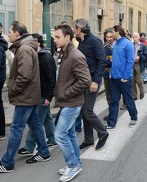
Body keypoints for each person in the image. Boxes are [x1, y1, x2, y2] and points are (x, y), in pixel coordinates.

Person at [0, 21, 51, 173]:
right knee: (35, 125)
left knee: (16, 129)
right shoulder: (26, 47)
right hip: (29, 95)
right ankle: (44, 152)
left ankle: (7, 163)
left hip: (25, 96)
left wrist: (13, 88)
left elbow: (25, 75)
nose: (7, 34)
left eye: (10, 31)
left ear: (17, 33)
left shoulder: (23, 49)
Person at [53, 25, 91, 182]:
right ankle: (76, 163)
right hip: (67, 101)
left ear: (67, 37)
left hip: (72, 102)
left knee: (60, 135)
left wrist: (65, 93)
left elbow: (85, 81)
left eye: (57, 37)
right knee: (68, 133)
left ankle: (73, 165)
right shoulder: (65, 53)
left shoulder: (75, 56)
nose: (54, 40)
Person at [18, 33, 57, 156]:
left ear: (38, 43)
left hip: (43, 94)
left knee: (37, 121)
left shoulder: (45, 57)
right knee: (46, 118)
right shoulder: (36, 55)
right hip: (39, 93)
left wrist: (49, 96)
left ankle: (29, 146)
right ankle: (53, 139)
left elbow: (52, 78)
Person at [72, 19, 109, 151]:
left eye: (74, 28)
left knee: (87, 110)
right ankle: (88, 140)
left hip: (93, 80)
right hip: (84, 80)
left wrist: (95, 81)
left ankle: (103, 133)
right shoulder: (81, 42)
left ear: (79, 30)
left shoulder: (94, 41)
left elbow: (102, 62)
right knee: (84, 111)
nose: (73, 30)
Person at [105, 25, 138, 130]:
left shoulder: (128, 44)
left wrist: (126, 76)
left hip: (124, 78)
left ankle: (134, 117)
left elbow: (130, 62)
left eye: (113, 32)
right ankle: (111, 123)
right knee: (114, 101)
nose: (112, 34)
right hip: (114, 78)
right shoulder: (115, 44)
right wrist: (111, 73)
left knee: (128, 99)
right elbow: (114, 60)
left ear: (117, 32)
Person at [131, 32, 147, 100]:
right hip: (131, 64)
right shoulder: (131, 45)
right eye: (133, 37)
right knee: (132, 81)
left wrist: (140, 57)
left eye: (135, 37)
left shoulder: (143, 46)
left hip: (138, 64)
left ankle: (142, 91)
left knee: (138, 80)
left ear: (139, 37)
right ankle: (134, 95)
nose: (134, 38)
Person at [103, 28, 114, 121]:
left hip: (116, 74)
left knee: (116, 95)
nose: (109, 39)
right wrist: (109, 60)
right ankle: (111, 114)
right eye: (107, 37)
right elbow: (103, 60)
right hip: (106, 74)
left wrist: (111, 61)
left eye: (111, 37)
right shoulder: (103, 47)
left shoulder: (117, 46)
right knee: (108, 96)